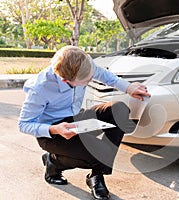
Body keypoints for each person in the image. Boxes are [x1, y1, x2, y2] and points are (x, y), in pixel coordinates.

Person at [18, 45, 151, 200]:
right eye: (86, 80)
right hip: (52, 132)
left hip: (76, 118)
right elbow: (24, 124)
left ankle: (96, 174)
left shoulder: (83, 62)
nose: (91, 80)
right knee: (97, 153)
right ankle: (53, 161)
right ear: (65, 80)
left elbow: (104, 75)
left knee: (119, 109)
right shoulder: (40, 88)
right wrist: (54, 129)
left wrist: (128, 87)